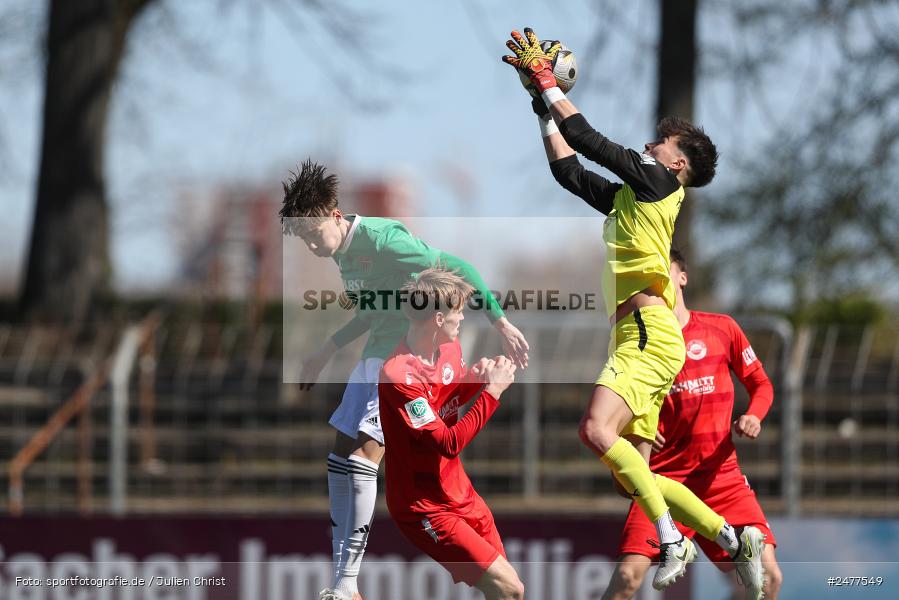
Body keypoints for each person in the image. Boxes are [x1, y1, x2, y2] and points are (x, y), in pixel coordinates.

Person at [502, 28, 761, 592]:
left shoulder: (659, 183)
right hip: (639, 337)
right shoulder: (635, 195)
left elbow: (588, 137)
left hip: (647, 333)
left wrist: (549, 85)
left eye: (663, 144)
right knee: (632, 473)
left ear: (680, 166)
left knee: (596, 430)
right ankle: (727, 536)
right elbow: (568, 169)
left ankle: (672, 537)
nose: (651, 146)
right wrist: (539, 105)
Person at [280, 160, 529, 600]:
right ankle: (344, 582)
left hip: (400, 362)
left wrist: (500, 321)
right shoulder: (342, 253)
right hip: (374, 355)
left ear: (336, 217)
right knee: (341, 456)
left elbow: (457, 267)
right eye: (304, 239)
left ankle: (347, 584)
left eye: (314, 235)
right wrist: (328, 349)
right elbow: (373, 310)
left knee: (362, 455)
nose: (312, 245)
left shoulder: (384, 240)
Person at [603, 249, 783, 599]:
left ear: (682, 276)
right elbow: (614, 406)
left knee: (767, 578)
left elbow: (761, 384)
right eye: (645, 276)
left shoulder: (722, 328)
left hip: (722, 480)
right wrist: (632, 426)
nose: (653, 281)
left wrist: (753, 416)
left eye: (661, 271)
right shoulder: (634, 343)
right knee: (626, 578)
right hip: (663, 483)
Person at [378, 267, 524, 599]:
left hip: (460, 492)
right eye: (458, 311)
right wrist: (493, 392)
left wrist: (478, 378)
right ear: (439, 319)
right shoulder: (398, 375)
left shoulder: (450, 349)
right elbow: (448, 441)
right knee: (509, 588)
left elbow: (446, 398)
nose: (463, 318)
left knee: (508, 591)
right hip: (424, 507)